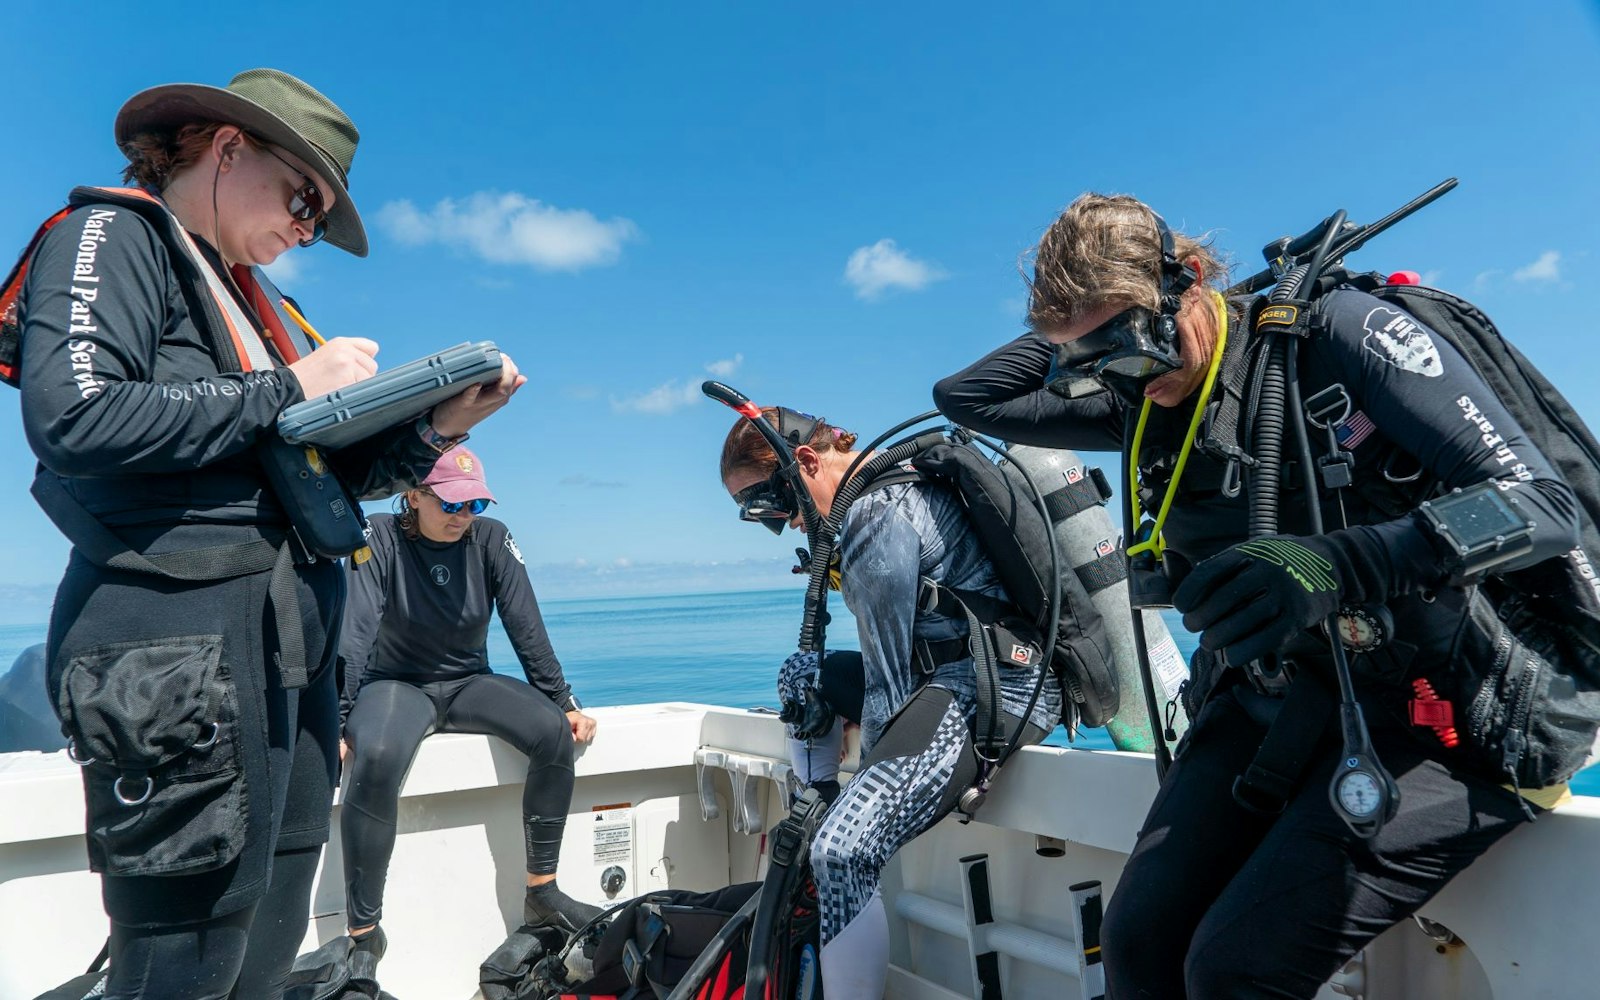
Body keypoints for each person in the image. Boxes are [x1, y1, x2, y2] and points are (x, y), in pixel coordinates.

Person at [933, 193, 1587, 999]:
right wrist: (1088, 339)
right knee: (1137, 946)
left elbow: (1544, 507)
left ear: (1192, 279)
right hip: (1277, 697)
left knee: (1234, 970)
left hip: (1445, 713)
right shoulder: (1145, 390)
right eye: (1091, 365)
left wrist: (1339, 563)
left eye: (1129, 347)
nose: (1122, 382)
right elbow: (968, 397)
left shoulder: (1339, 337)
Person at [18, 69, 523, 1000]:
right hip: (170, 648)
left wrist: (437, 429)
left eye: (320, 217)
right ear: (225, 146)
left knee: (272, 924)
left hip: (287, 650)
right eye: (304, 198)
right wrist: (295, 388)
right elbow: (73, 413)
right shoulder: (113, 235)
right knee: (184, 954)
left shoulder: (258, 309)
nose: (307, 228)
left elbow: (310, 477)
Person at [719, 407, 1061, 999]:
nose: (781, 521)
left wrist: (868, 796)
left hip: (993, 692)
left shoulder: (875, 514)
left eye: (770, 500)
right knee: (802, 675)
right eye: (753, 513)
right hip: (953, 677)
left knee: (843, 852)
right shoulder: (881, 492)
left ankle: (828, 827)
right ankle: (816, 797)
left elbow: (887, 686)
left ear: (806, 461)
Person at [336, 446, 600, 972]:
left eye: (474, 504)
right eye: (452, 504)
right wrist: (340, 718)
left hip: (467, 682)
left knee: (551, 733)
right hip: (394, 685)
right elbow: (357, 630)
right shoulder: (379, 535)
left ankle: (541, 892)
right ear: (414, 495)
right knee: (378, 754)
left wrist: (563, 700)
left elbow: (526, 625)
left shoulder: (492, 538)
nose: (463, 516)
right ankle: (364, 932)